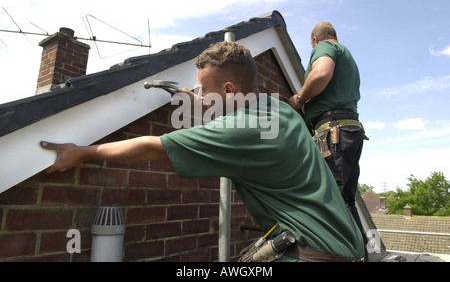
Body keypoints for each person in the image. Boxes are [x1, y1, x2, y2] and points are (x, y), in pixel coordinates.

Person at [41, 41, 365, 262]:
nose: (200, 94)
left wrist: (82, 152)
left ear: (228, 89)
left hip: (311, 255)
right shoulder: (276, 108)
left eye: (204, 89)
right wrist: (202, 101)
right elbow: (237, 107)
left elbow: (153, 147)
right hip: (345, 247)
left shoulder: (242, 130)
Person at [288, 22, 368, 259]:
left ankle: (345, 256)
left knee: (334, 200)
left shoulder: (325, 48)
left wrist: (299, 99)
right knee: (346, 199)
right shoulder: (348, 55)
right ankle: (360, 255)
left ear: (315, 39)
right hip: (349, 130)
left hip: (334, 130)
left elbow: (321, 73)